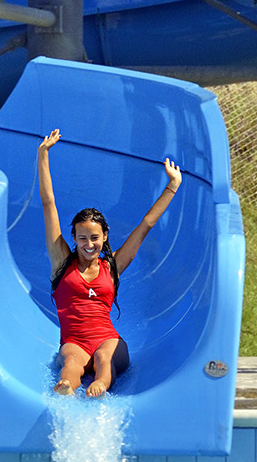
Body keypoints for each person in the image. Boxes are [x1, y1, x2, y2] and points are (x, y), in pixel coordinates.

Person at [37, 129, 183, 398]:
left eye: (94, 238)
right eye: (82, 238)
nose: (89, 244)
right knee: (70, 363)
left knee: (104, 359)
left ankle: (101, 386)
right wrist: (42, 154)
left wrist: (172, 186)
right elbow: (49, 204)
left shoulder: (112, 267)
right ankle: (66, 387)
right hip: (74, 341)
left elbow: (146, 225)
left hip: (107, 339)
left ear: (104, 237)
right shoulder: (61, 263)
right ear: (74, 238)